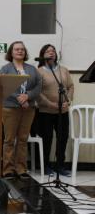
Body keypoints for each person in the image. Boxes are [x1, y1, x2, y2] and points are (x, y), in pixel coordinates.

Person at [0, 41, 42, 180]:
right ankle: (8, 170)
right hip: (10, 107)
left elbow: (38, 86)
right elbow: (3, 86)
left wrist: (27, 96)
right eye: (17, 49)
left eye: (22, 49)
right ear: (11, 52)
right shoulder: (5, 69)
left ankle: (21, 169)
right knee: (9, 140)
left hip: (28, 108)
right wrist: (19, 98)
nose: (20, 51)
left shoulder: (32, 69)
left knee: (23, 139)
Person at [37, 44, 74, 176]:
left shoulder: (63, 70)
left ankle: (60, 166)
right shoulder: (39, 71)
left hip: (62, 112)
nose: (51, 53)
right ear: (43, 55)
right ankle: (46, 165)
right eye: (48, 51)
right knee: (47, 139)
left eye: (53, 51)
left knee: (62, 138)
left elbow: (70, 86)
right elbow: (38, 92)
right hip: (45, 112)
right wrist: (50, 104)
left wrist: (68, 101)